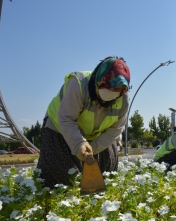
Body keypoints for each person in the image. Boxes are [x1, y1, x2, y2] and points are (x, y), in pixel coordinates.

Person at [37, 56, 130, 189]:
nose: (112, 93)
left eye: (117, 90)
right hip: (60, 128)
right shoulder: (79, 84)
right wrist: (79, 144)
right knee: (61, 175)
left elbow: (114, 131)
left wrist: (93, 148)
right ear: (99, 80)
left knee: (107, 170)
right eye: (108, 87)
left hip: (96, 135)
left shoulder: (123, 100)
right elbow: (67, 119)